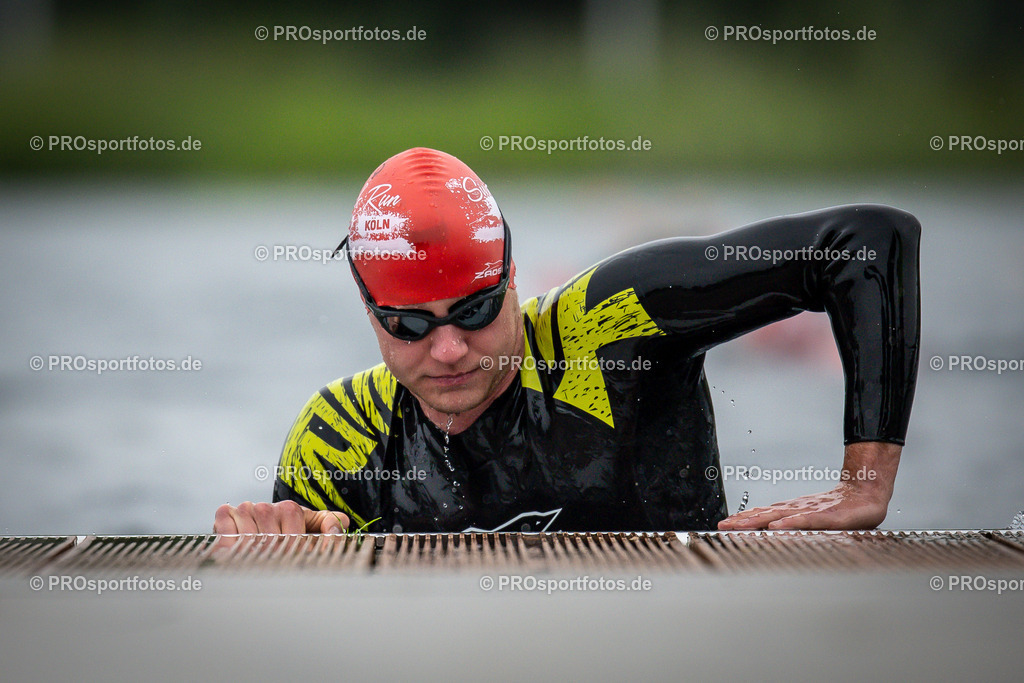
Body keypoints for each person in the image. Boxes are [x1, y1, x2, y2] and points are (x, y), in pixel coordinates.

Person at [213, 147, 920, 535]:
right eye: (412, 325)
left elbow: (866, 241)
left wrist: (864, 481)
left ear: (513, 279)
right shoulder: (336, 439)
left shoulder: (605, 325)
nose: (450, 349)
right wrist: (275, 554)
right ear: (372, 315)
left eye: (475, 310)